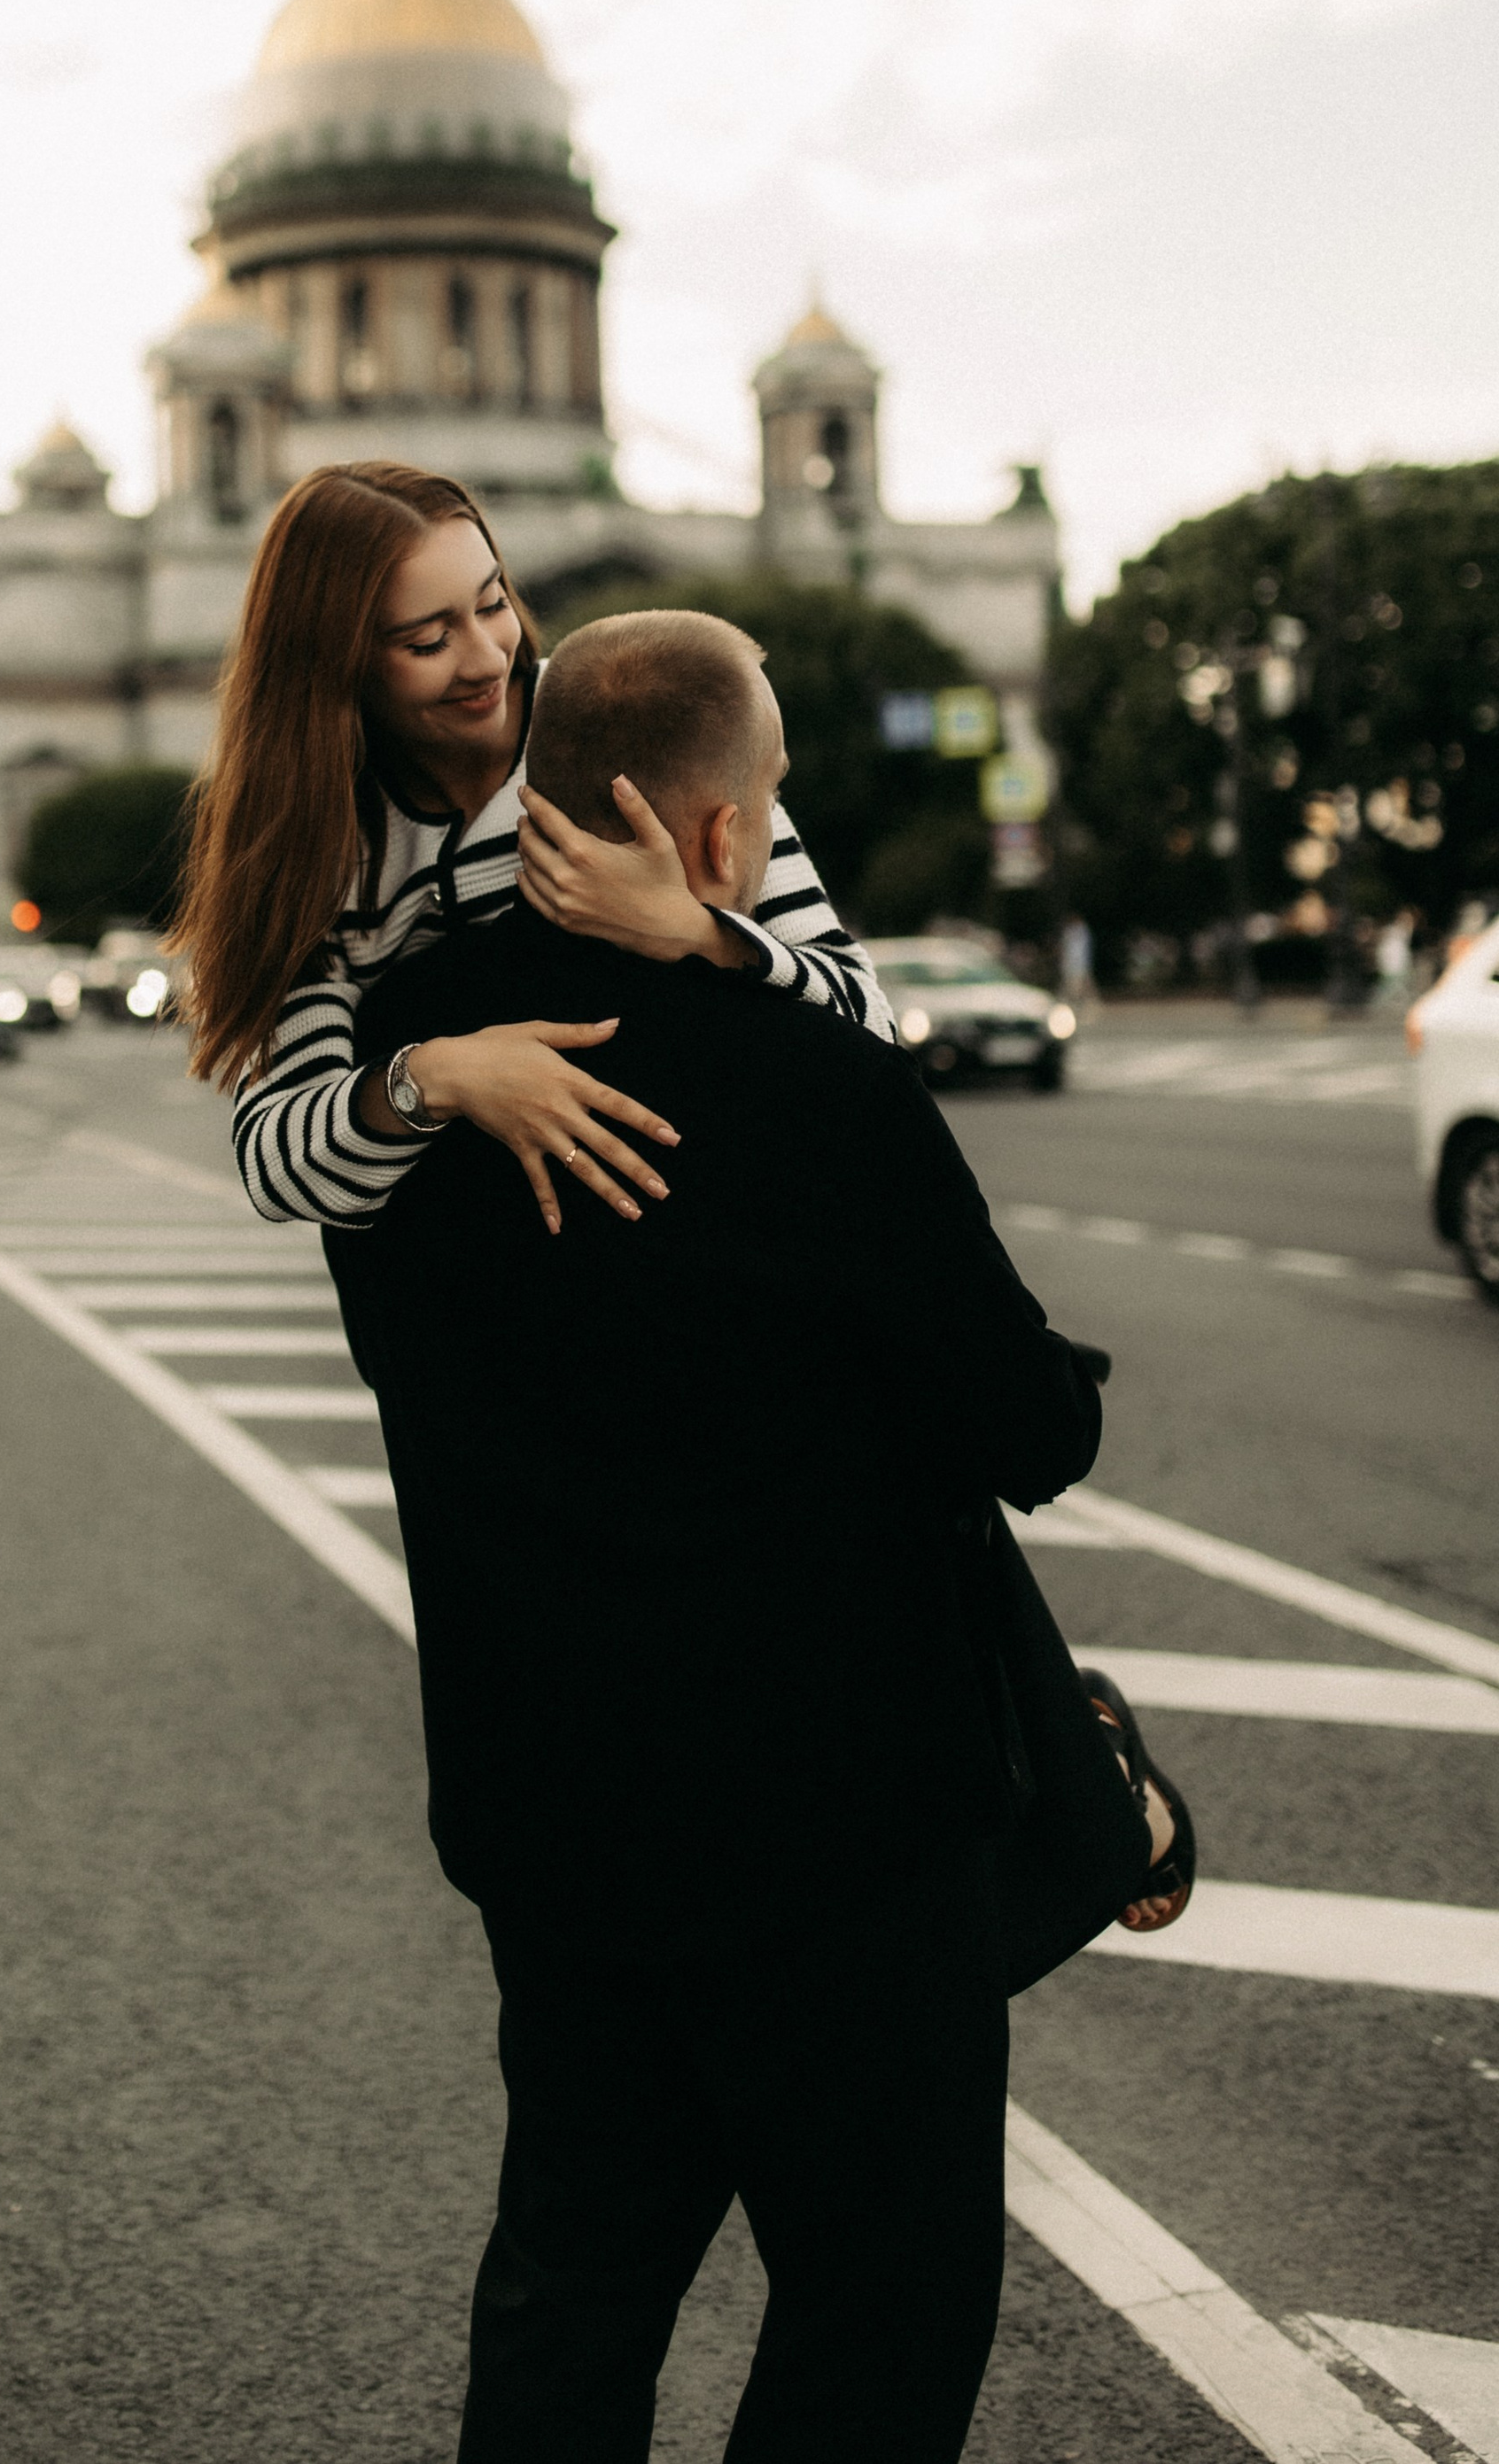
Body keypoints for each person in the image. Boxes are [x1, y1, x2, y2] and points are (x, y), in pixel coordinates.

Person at [334, 608, 1177, 2463]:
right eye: (774, 796)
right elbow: (1030, 1432)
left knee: (571, 2291)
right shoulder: (818, 1080)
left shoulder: (413, 1057)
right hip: (839, 1839)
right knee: (880, 2310)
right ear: (719, 833)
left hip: (553, 1809)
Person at [175, 462, 892, 1237]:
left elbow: (871, 1026)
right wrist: (442, 1075)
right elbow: (281, 1167)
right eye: (428, 641)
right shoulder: (312, 843)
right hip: (458, 1281)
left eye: (494, 604)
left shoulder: (629, 721)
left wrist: (691, 931)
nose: (487, 658)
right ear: (334, 662)